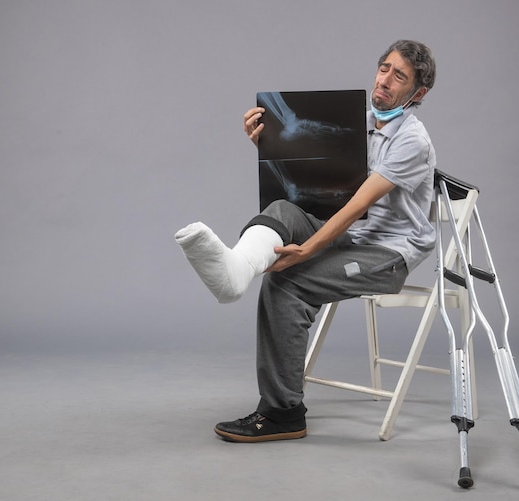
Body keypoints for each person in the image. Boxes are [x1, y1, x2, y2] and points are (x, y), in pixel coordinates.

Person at [175, 40, 437, 443]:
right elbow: (317, 182)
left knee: (288, 281)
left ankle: (283, 413)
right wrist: (268, 142)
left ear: (418, 93)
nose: (384, 80)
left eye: (398, 76)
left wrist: (311, 247)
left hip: (387, 253)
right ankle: (234, 271)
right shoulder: (359, 124)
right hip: (351, 234)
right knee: (283, 208)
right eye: (384, 68)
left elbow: (356, 204)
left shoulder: (412, 141)